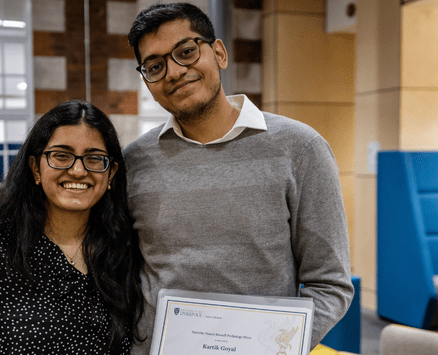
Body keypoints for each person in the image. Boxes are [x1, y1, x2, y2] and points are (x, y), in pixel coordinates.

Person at [124, 3, 354, 352]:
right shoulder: (133, 161)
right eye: (155, 66)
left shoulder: (301, 148)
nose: (173, 72)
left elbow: (331, 285)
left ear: (218, 53)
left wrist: (276, 347)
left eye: (186, 52)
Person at [0, 100, 144, 354]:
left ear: (111, 173)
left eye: (94, 158)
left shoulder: (124, 251)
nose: (79, 170)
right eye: (61, 156)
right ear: (35, 168)